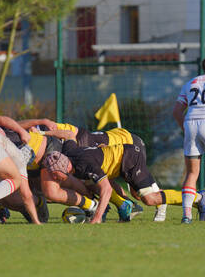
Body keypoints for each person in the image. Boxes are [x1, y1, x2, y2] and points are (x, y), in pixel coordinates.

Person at [43, 137, 204, 224]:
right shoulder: (68, 152)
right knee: (91, 183)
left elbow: (106, 189)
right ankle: (124, 205)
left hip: (130, 158)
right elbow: (69, 136)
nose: (54, 179)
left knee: (149, 199)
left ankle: (198, 198)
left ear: (63, 168)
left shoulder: (85, 164)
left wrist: (97, 218)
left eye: (54, 175)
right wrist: (46, 134)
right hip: (118, 163)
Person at [173, 59, 205, 224]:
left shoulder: (190, 83)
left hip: (191, 122)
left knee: (192, 173)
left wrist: (185, 129)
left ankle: (187, 216)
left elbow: (177, 110)